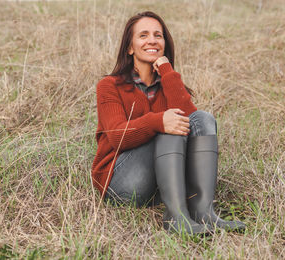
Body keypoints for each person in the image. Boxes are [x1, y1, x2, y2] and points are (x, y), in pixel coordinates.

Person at [91, 11, 246, 234]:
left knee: (202, 118)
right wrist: (157, 121)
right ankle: (176, 218)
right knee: (168, 124)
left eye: (158, 35)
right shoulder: (109, 85)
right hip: (122, 184)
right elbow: (117, 136)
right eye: (143, 35)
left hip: (162, 185)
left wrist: (166, 71)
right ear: (130, 47)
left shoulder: (169, 82)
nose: (152, 40)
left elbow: (194, 124)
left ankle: (203, 213)